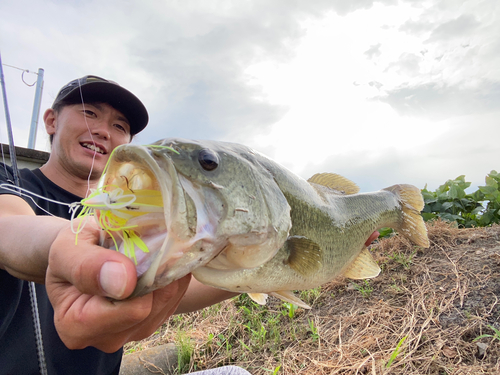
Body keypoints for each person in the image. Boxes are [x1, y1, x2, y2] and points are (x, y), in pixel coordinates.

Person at [0, 75, 244, 375]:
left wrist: (260, 265)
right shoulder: (9, 181)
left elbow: (175, 283)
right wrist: (79, 248)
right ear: (51, 121)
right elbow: (8, 228)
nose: (103, 131)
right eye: (89, 113)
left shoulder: (138, 213)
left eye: (119, 126)